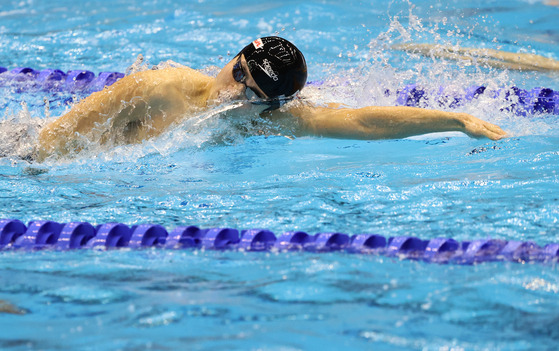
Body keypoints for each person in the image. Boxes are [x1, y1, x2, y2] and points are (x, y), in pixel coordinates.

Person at [36, 36, 506, 161]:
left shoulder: (267, 123)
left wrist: (454, 118)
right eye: (238, 71)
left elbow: (361, 123)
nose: (232, 89)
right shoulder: (159, 88)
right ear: (237, 55)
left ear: (271, 105)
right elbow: (57, 138)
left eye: (252, 92)